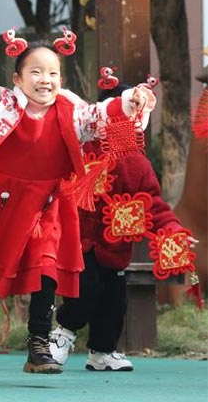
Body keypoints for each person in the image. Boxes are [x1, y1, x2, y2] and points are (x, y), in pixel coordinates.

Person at [0, 29, 156, 383]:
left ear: (61, 80)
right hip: (3, 204)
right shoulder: (1, 107)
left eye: (52, 73)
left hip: (49, 204)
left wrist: (131, 99)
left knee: (46, 270)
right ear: (18, 78)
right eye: (35, 72)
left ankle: (38, 344)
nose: (45, 79)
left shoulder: (72, 110)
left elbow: (101, 116)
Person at [49, 82, 196, 371]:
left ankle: (102, 352)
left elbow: (152, 203)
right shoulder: (78, 147)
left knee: (115, 302)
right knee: (85, 290)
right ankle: (62, 334)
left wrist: (173, 232)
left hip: (116, 247)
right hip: (79, 241)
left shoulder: (137, 164)